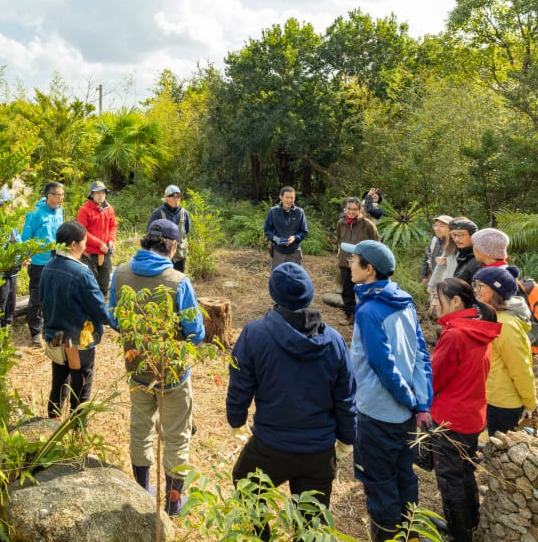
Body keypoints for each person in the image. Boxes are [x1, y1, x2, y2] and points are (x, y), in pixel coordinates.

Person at [227, 261, 356, 533]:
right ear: (310, 293)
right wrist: (346, 439)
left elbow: (240, 384)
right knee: (311, 525)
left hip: (271, 446)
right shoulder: (334, 341)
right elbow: (345, 397)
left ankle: (260, 537)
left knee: (245, 483)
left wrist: (236, 420)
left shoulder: (255, 334)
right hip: (319, 452)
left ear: (274, 293)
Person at [110, 218, 206, 516]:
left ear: (146, 240)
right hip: (173, 373)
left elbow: (114, 318)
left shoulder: (120, 273)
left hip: (137, 368)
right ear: (173, 246)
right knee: (176, 436)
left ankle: (142, 491)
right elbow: (195, 332)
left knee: (140, 430)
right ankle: (173, 503)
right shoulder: (178, 281)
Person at [342, 239, 433, 542]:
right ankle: (411, 533)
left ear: (368, 269)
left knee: (380, 485)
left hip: (376, 414)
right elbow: (421, 353)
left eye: (354, 260)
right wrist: (421, 403)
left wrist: (408, 399)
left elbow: (383, 365)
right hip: (404, 416)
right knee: (405, 477)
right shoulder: (404, 301)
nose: (349, 264)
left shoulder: (369, 311)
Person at [429, 278, 501, 542]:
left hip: (451, 419)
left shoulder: (455, 334)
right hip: (472, 414)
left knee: (450, 480)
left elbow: (434, 378)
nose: (434, 303)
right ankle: (468, 526)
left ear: (456, 301)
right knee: (465, 473)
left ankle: (459, 535)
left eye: (437, 298)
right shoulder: (479, 328)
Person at [38, 221, 115, 421]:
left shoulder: (48, 267)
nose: (85, 247)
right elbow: (99, 309)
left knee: (59, 379)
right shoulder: (81, 272)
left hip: (57, 334)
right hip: (80, 338)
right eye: (84, 242)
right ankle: (77, 428)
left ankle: (53, 424)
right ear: (73, 244)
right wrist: (116, 321)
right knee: (81, 386)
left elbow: (42, 301)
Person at [474, 265, 538, 438]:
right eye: (475, 285)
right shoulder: (492, 317)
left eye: (480, 286)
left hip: (502, 403)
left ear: (496, 291)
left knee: (500, 448)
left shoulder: (504, 326)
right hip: (490, 396)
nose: (475, 290)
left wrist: (531, 402)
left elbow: (520, 368)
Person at [20, 181, 65, 346]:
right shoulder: (35, 213)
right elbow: (26, 238)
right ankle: (36, 331)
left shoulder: (59, 211)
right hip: (39, 262)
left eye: (63, 194)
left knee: (53, 296)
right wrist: (25, 256)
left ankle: (50, 328)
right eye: (60, 194)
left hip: (56, 260)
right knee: (37, 297)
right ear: (50, 196)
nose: (62, 197)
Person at [335, 197, 380, 323]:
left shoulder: (367, 225)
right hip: (345, 262)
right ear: (345, 209)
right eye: (349, 208)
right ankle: (350, 316)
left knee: (365, 290)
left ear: (360, 210)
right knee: (347, 291)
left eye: (355, 209)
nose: (351, 212)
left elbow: (376, 243)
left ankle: (366, 317)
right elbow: (339, 239)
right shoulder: (341, 223)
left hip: (362, 263)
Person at [0, 187, 24, 332]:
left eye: (9, 204)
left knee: (11, 305)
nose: (9, 208)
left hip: (13, 271)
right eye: (5, 205)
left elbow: (19, 241)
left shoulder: (10, 224)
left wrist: (23, 256)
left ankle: (6, 334)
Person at [76, 180, 117, 296]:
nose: (101, 195)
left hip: (105, 253)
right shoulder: (84, 210)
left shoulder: (109, 209)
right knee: (89, 286)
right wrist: (99, 244)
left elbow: (113, 226)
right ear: (92, 194)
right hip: (89, 254)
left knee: (104, 286)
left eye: (103, 193)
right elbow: (82, 231)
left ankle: (101, 306)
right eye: (97, 193)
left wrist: (111, 240)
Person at [149, 185, 191, 272]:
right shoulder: (157, 213)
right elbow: (150, 232)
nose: (177, 199)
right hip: (163, 255)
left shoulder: (185, 213)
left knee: (179, 278)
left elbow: (187, 230)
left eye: (178, 197)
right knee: (163, 278)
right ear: (166, 198)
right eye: (174, 197)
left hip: (180, 255)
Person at [264, 186, 309, 268]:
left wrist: (294, 238)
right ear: (281, 197)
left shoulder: (299, 212)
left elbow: (304, 231)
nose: (289, 200)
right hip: (278, 252)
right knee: (278, 275)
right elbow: (267, 229)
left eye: (292, 198)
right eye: (287, 197)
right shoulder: (273, 212)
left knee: (294, 275)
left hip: (295, 252)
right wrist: (276, 239)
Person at [420, 215, 453, 286]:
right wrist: (425, 276)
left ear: (450, 228)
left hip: (449, 283)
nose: (437, 229)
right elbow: (426, 257)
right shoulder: (435, 241)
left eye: (441, 226)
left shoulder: (455, 244)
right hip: (434, 280)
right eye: (435, 225)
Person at [448, 217, 481, 284]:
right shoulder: (461, 255)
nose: (456, 239)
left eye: (460, 235)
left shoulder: (480, 257)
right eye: (454, 235)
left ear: (473, 236)